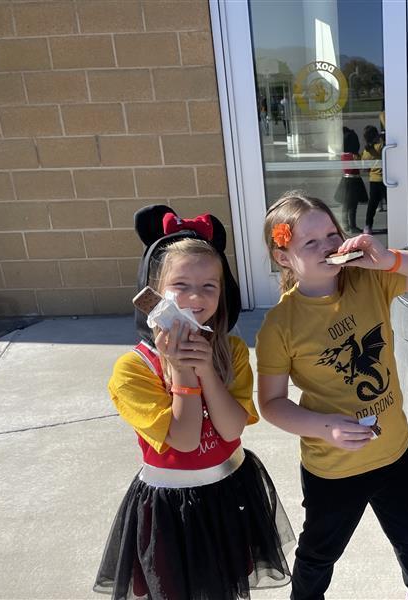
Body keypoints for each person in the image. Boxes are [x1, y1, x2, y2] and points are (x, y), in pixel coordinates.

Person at [256, 192, 408, 600]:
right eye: (309, 242)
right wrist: (323, 427)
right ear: (282, 257)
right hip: (333, 467)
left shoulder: (368, 280)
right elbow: (271, 403)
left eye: (331, 234)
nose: (327, 246)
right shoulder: (280, 325)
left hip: (395, 449)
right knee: (319, 553)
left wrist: (389, 260)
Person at [94, 205, 295, 600]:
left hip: (228, 492)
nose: (195, 297)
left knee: (226, 588)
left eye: (209, 286)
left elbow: (232, 429)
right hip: (170, 508)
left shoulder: (232, 351)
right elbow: (184, 441)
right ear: (155, 291)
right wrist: (182, 372)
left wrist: (206, 369)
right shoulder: (132, 369)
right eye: (180, 285)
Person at [334, 126, 368, 234]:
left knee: (345, 205)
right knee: (353, 206)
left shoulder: (344, 155)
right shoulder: (354, 156)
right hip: (354, 181)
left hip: (345, 180)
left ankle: (345, 224)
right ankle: (352, 225)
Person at [361, 125, 386, 234]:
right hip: (384, 179)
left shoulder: (366, 152)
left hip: (373, 180)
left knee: (372, 205)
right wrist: (382, 137)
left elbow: (365, 168)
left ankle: (368, 226)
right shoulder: (380, 147)